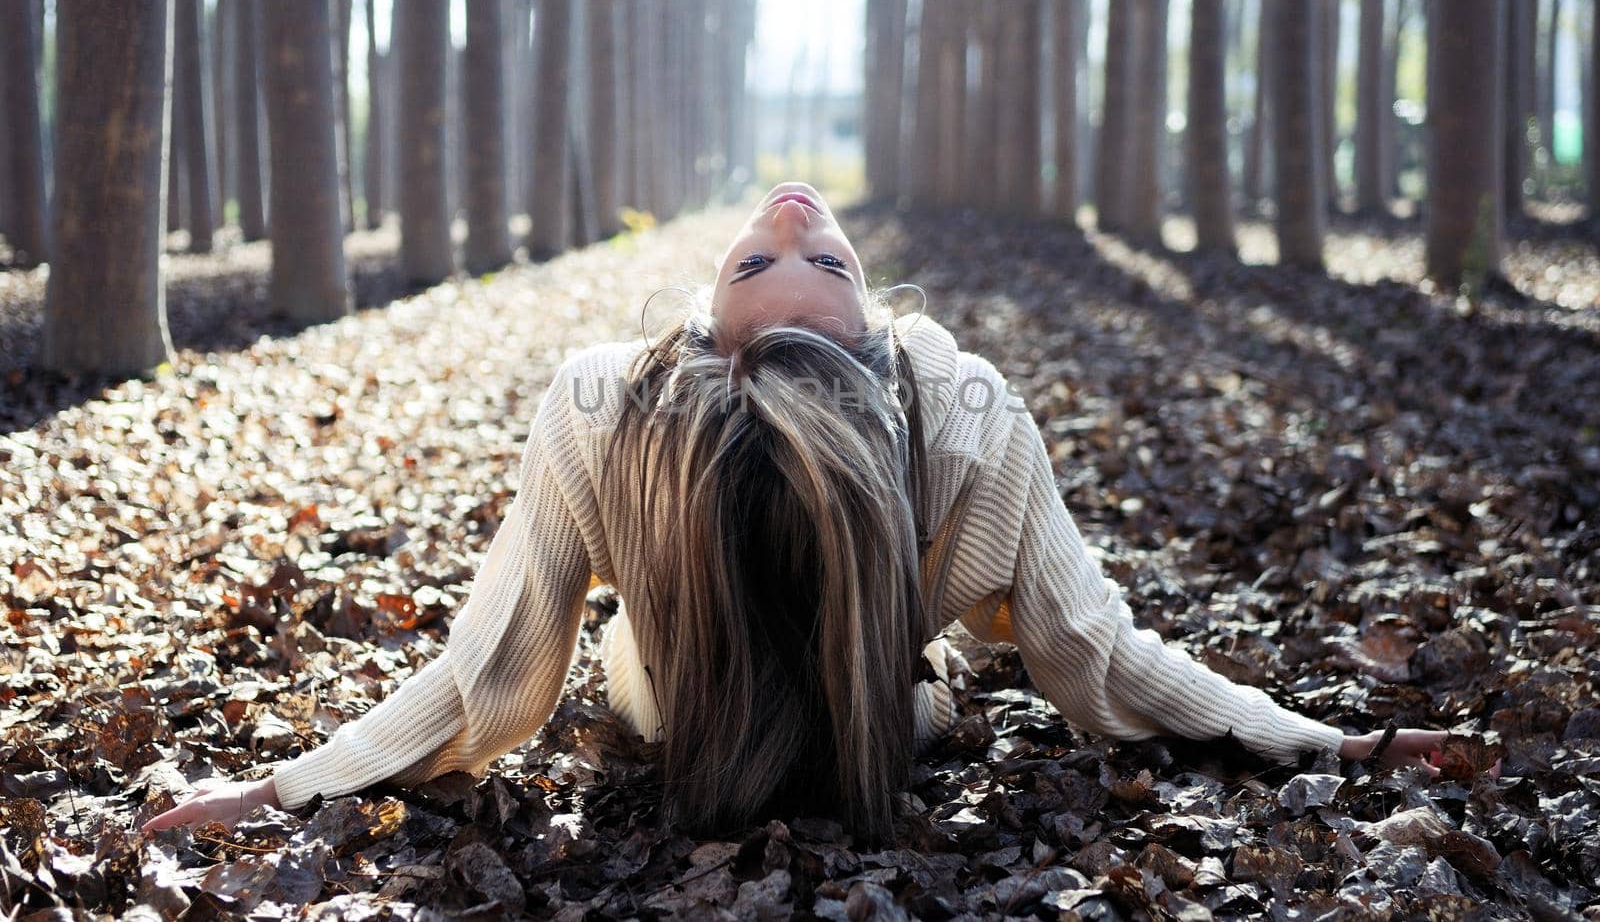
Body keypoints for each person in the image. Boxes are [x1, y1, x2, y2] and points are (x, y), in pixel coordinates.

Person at [145, 181, 1447, 839]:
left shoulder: (606, 404)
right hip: (724, 690)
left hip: (744, 694)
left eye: (808, 260)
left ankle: (872, 697)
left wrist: (273, 791)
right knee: (831, 692)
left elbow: (496, 678)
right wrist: (1331, 746)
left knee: (666, 683)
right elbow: (1086, 656)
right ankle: (878, 697)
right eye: (785, 258)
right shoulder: (962, 409)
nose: (790, 218)